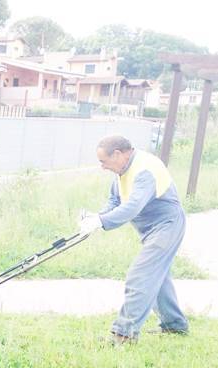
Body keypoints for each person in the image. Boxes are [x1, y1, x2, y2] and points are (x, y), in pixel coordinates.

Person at [79, 135, 189, 344]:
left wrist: (102, 221)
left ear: (118, 154)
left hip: (167, 226)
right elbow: (115, 199)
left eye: (104, 161)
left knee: (141, 276)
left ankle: (124, 333)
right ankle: (175, 325)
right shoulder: (123, 169)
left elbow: (132, 207)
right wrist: (96, 218)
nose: (102, 167)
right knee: (157, 277)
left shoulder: (145, 169)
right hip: (152, 230)